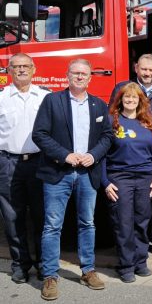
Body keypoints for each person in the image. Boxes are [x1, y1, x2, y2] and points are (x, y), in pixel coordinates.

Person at [32, 59, 113, 300]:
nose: (79, 77)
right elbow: (40, 134)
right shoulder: (52, 101)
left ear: (90, 78)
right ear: (67, 75)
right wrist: (65, 155)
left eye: (84, 74)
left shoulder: (99, 105)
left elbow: (107, 136)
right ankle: (49, 276)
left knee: (87, 223)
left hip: (88, 174)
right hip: (59, 173)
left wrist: (93, 155)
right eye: (75, 73)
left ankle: (88, 270)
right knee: (52, 225)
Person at [109, 54, 152, 259]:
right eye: (144, 69)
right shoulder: (124, 90)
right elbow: (112, 118)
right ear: (136, 68)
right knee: (130, 207)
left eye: (151, 69)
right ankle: (130, 245)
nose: (147, 73)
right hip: (129, 157)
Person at [102, 83, 152, 283]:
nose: (130, 100)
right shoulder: (112, 121)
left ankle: (140, 262)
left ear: (140, 100)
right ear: (120, 99)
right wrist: (105, 182)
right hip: (120, 178)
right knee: (124, 222)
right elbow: (102, 154)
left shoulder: (148, 121)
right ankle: (126, 265)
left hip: (145, 178)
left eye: (134, 97)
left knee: (142, 221)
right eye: (126, 97)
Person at [0, 53, 50, 283]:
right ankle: (20, 264)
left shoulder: (45, 97)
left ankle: (43, 263)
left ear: (34, 69)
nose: (21, 70)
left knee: (42, 215)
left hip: (39, 162)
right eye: (16, 66)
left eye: (25, 66)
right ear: (9, 71)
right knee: (12, 217)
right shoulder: (1, 98)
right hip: (8, 163)